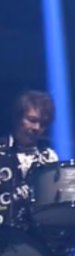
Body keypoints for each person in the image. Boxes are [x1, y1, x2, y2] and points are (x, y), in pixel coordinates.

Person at [0, 90, 59, 226]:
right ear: (17, 119)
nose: (37, 128)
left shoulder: (48, 157)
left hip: (34, 234)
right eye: (32, 120)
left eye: (43, 124)